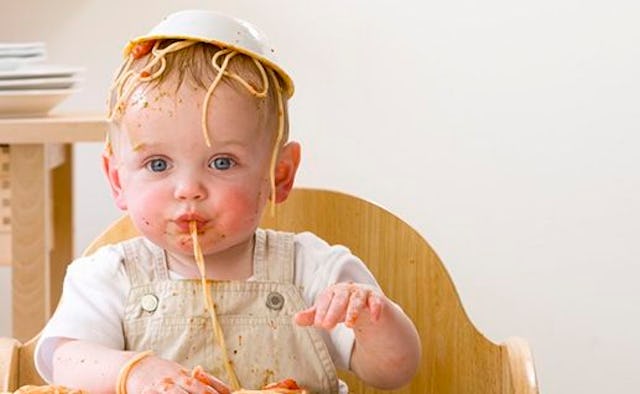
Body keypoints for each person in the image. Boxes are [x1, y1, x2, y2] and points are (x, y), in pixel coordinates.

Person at [34, 9, 421, 394]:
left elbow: (394, 372)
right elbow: (63, 360)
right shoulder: (110, 276)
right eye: (157, 164)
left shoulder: (313, 271)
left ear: (278, 175)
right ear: (118, 180)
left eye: (222, 162)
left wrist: (371, 320)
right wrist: (135, 373)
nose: (188, 189)